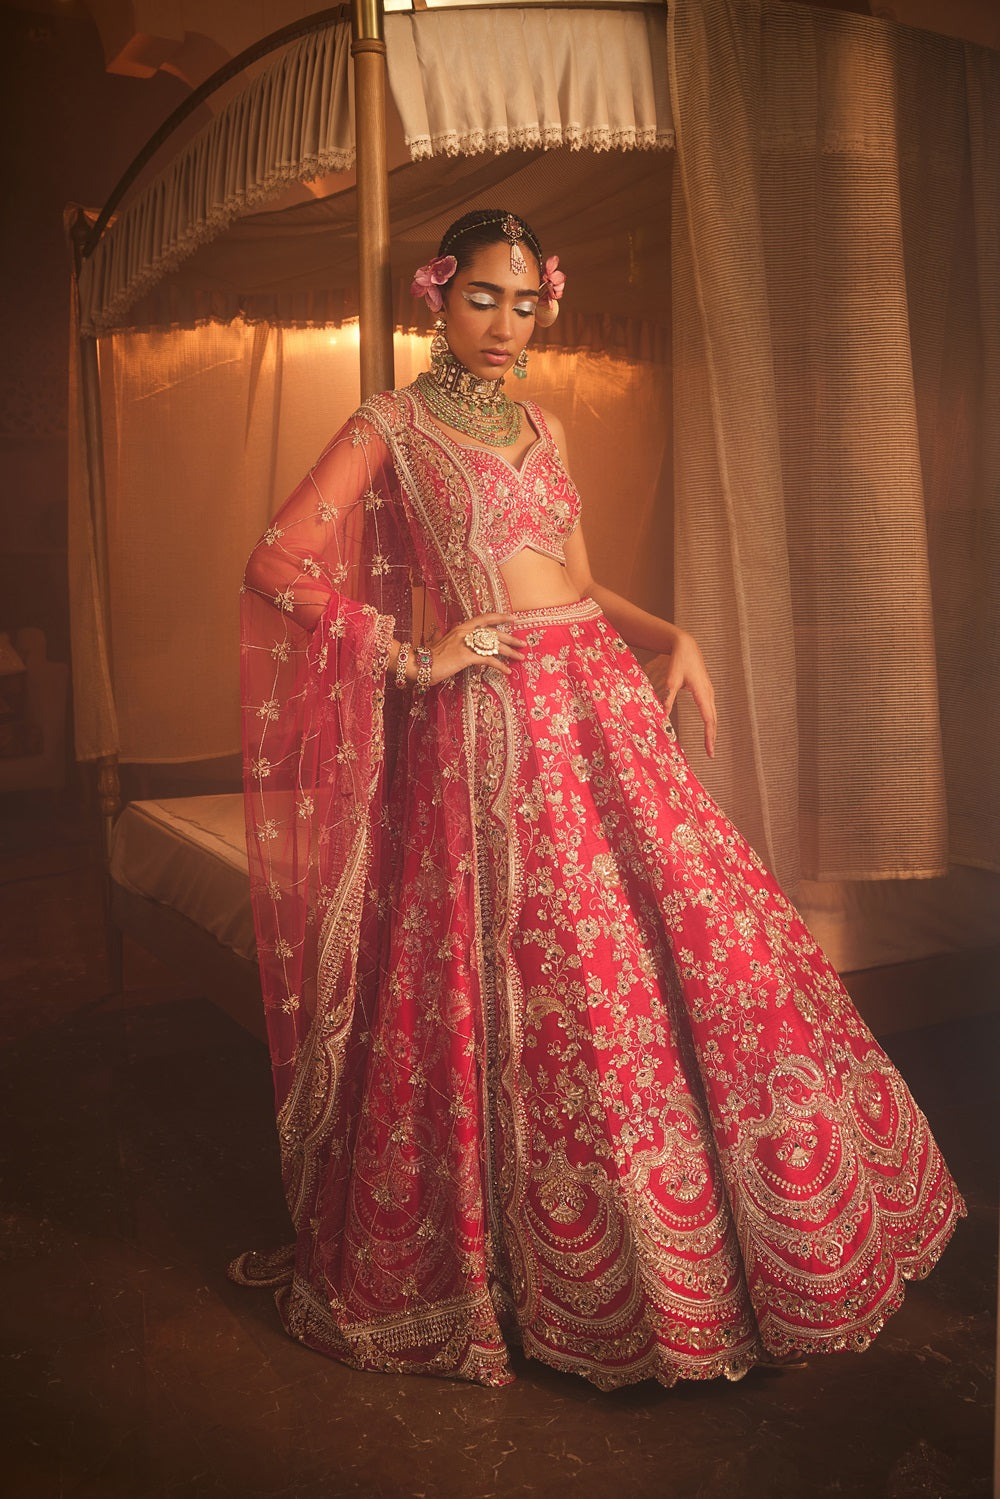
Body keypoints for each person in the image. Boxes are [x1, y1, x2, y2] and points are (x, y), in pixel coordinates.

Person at [231, 209, 965, 1391]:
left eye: (525, 304)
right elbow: (277, 564)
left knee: (708, 934)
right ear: (436, 294)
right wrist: (416, 656)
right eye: (482, 298)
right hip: (495, 724)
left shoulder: (541, 420)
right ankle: (549, 1263)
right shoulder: (390, 423)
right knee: (560, 966)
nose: (505, 325)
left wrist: (677, 634)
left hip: (602, 699)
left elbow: (570, 578)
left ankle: (744, 1237)